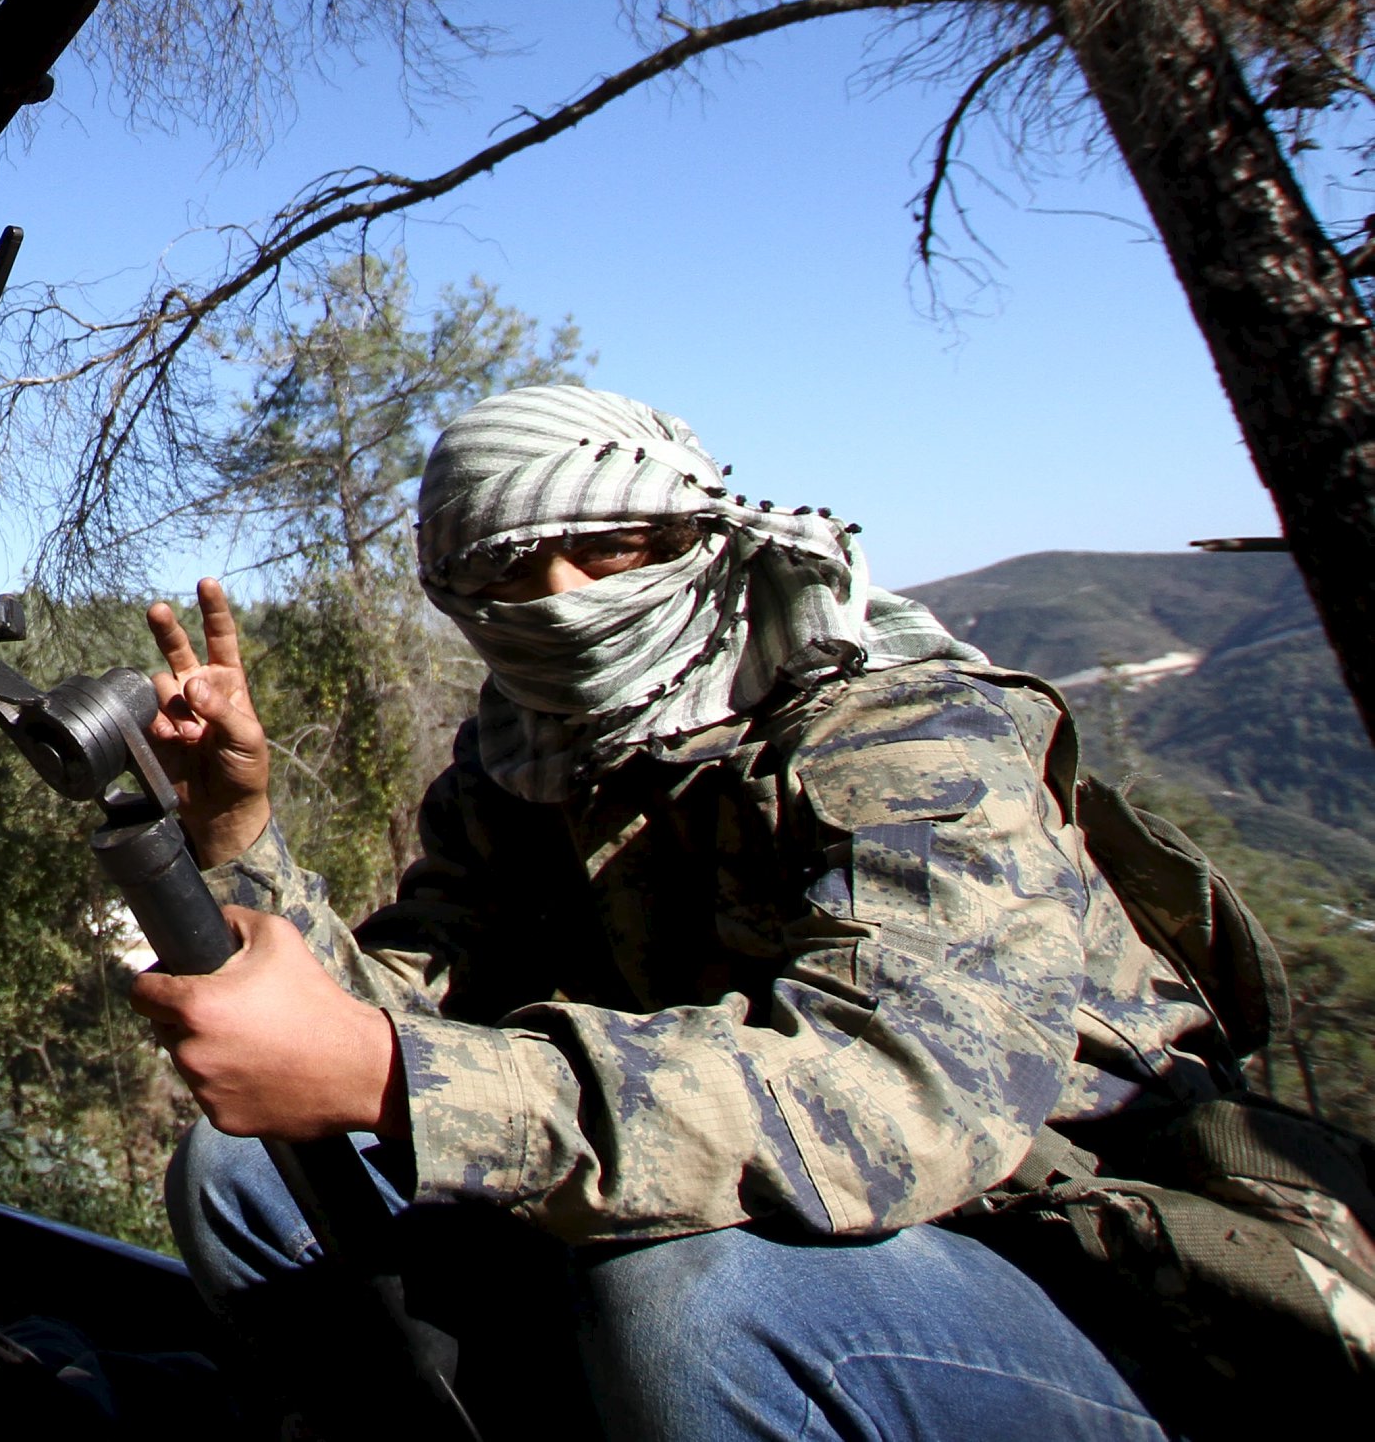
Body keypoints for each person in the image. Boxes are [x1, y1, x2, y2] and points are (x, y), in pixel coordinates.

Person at [129, 381, 1375, 1437]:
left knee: (700, 1300)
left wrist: (404, 1084)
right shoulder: (525, 767)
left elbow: (898, 1100)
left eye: (609, 545)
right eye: (506, 569)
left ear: (700, 536)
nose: (561, 596)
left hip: (1087, 1289)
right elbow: (391, 1010)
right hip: (770, 1227)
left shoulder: (899, 731)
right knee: (251, 1172)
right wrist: (239, 837)